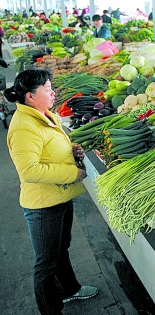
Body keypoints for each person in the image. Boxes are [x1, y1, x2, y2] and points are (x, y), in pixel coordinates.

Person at [5, 68, 98, 315]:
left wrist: (72, 152)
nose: (53, 92)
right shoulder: (24, 126)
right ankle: (50, 310)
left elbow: (50, 148)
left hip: (59, 196)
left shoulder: (42, 114)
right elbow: (30, 170)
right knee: (45, 264)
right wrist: (72, 173)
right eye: (47, 89)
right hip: (43, 204)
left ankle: (69, 290)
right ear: (30, 96)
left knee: (60, 248)